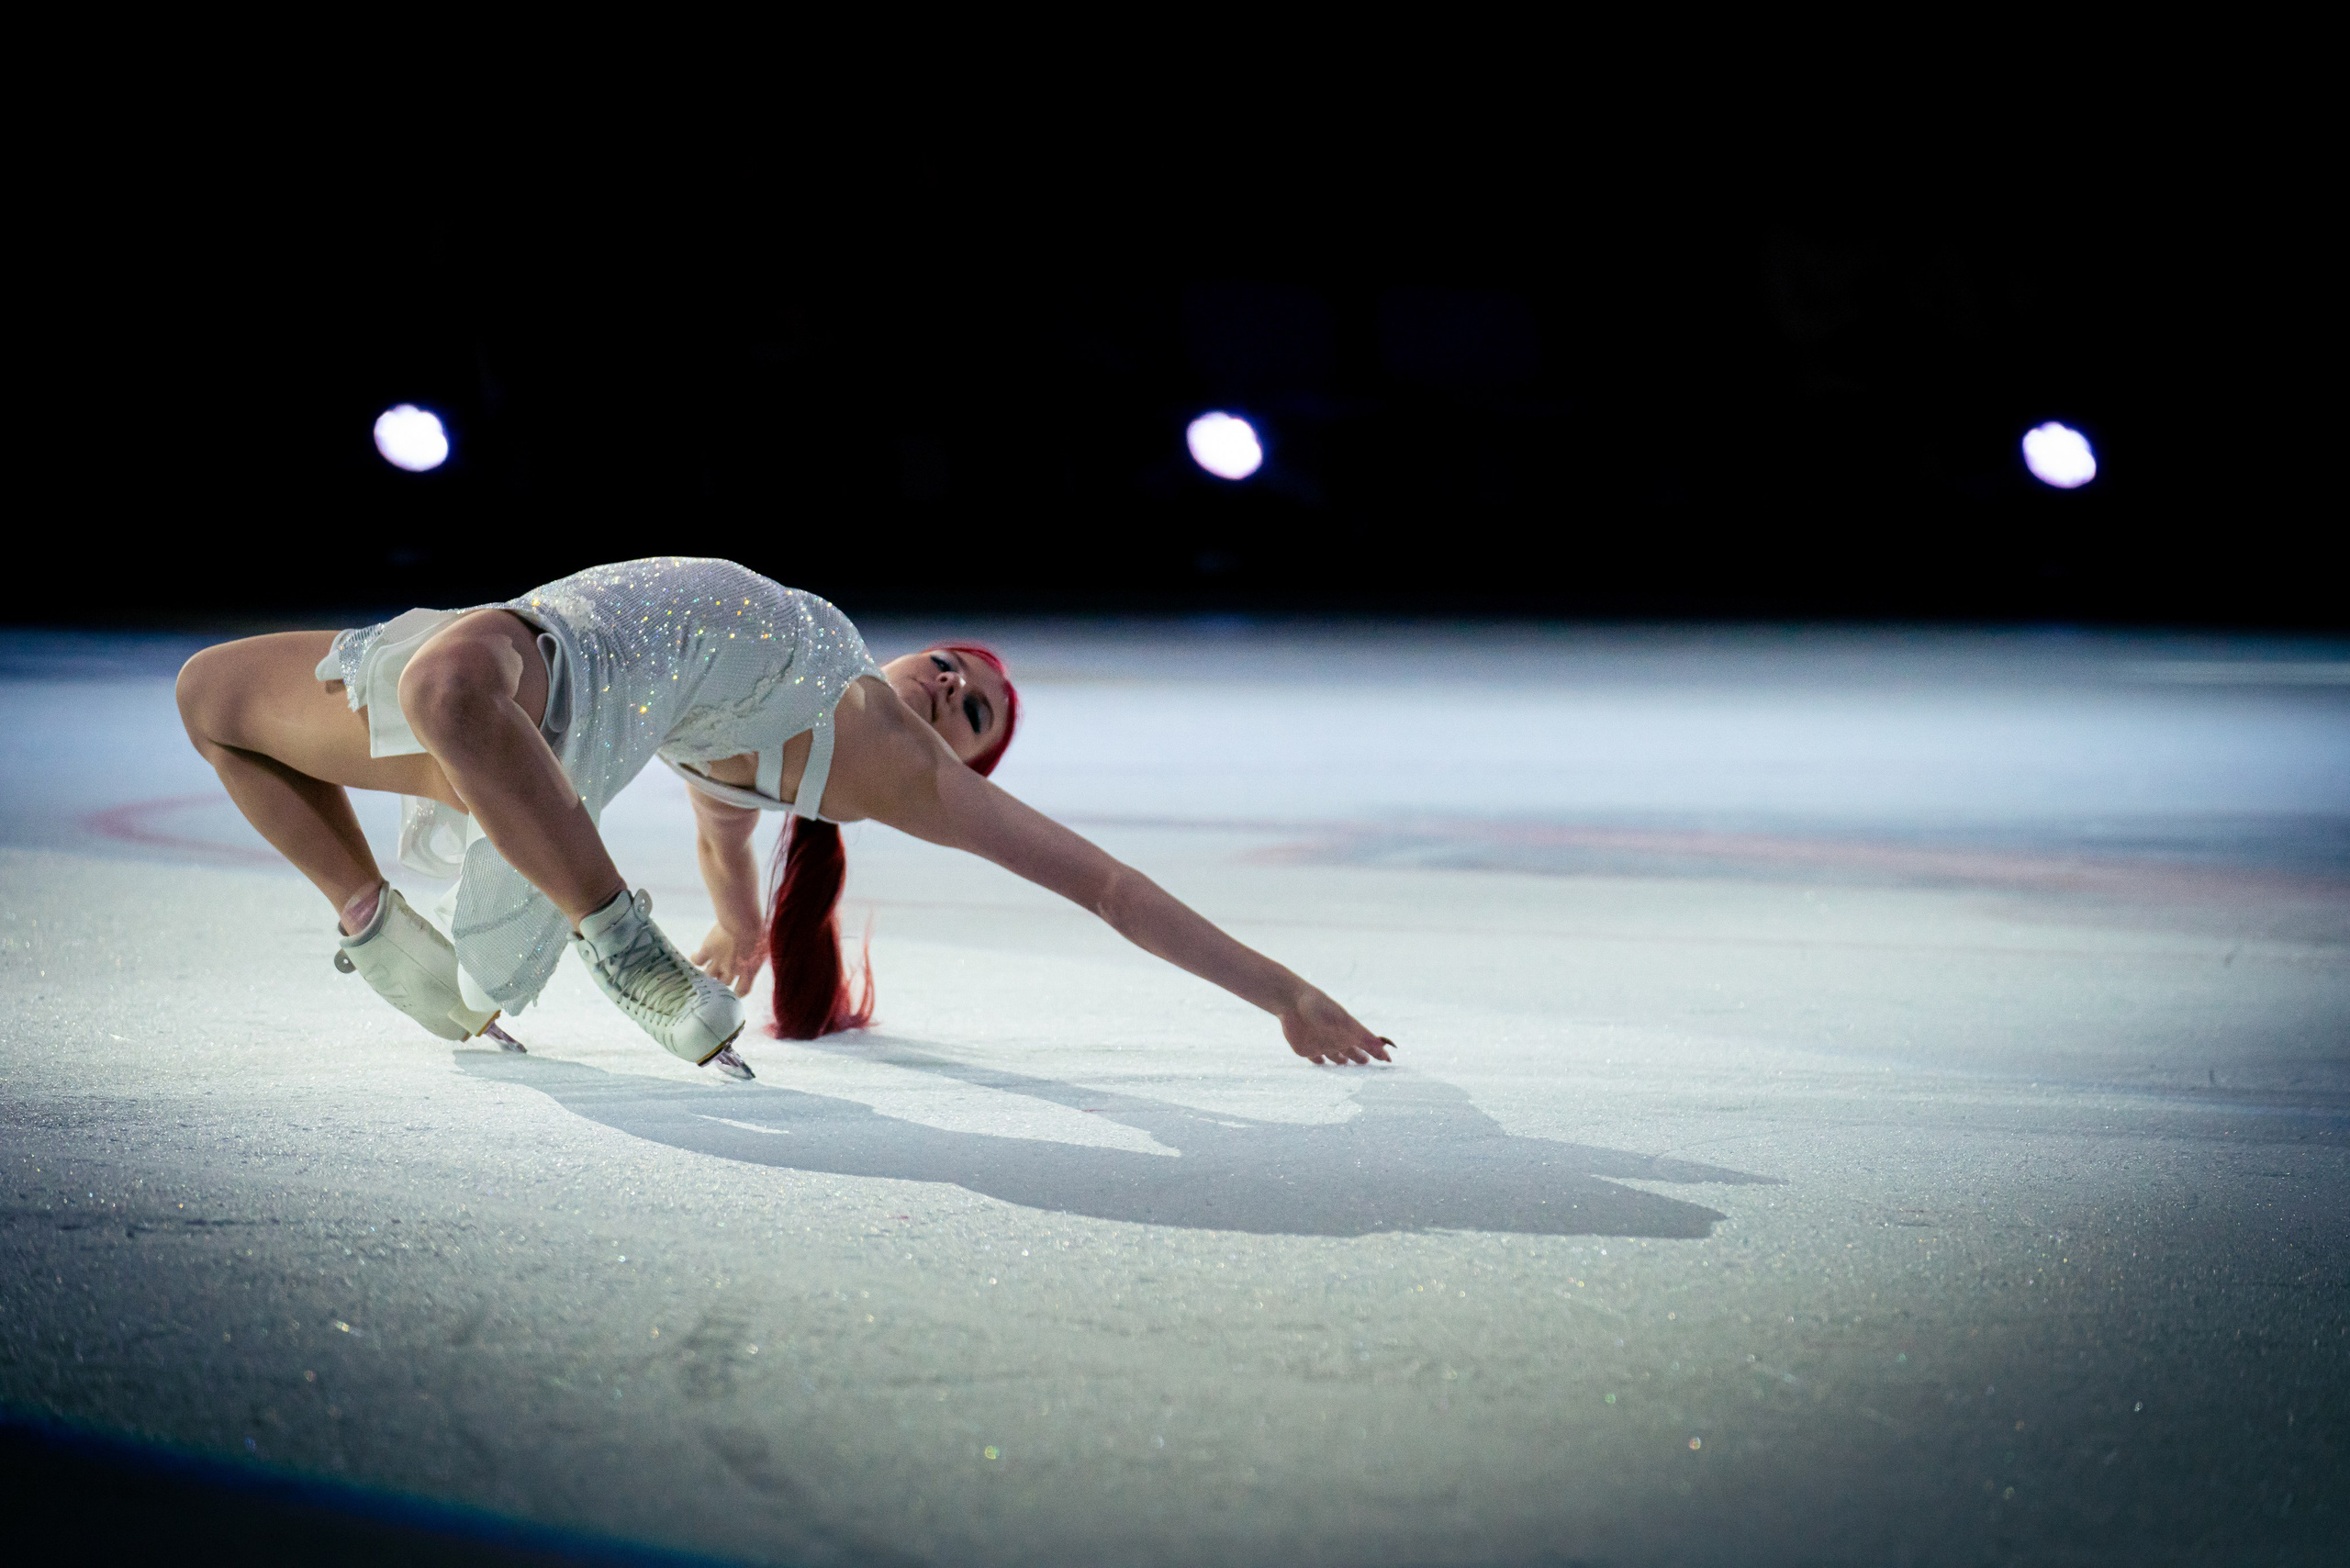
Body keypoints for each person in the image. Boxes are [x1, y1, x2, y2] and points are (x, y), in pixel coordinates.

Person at [174, 557, 1393, 1080]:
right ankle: (380, 928)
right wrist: (739, 935)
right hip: (544, 682)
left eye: (975, 712)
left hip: (546, 672)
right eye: (958, 665)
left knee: (447, 686)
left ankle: (616, 944)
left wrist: (1287, 994)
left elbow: (1110, 888)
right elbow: (725, 840)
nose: (956, 687)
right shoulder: (776, 732)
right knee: (210, 696)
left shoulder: (903, 772)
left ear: (955, 759)